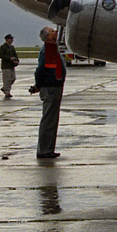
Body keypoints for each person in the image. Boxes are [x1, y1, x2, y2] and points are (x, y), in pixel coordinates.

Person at [29, 26, 65, 159]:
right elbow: (40, 70)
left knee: (52, 120)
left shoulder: (51, 48)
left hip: (54, 87)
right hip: (51, 89)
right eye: (53, 31)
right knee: (49, 120)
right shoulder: (48, 50)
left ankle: (48, 148)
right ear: (48, 36)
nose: (56, 32)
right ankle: (44, 150)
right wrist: (38, 85)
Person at [0, 34, 18, 99]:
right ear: (7, 39)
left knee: (13, 78)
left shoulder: (12, 47)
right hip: (6, 66)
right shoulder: (3, 47)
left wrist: (17, 60)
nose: (12, 40)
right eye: (11, 39)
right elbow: (1, 55)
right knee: (7, 79)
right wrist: (9, 58)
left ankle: (5, 88)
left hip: (11, 66)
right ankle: (7, 92)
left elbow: (15, 55)